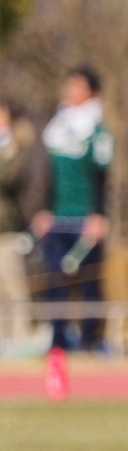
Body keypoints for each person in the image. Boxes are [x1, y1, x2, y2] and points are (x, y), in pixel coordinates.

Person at [32, 67, 113, 352]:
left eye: (78, 87)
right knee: (55, 280)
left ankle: (92, 339)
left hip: (86, 220)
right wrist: (44, 210)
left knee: (91, 283)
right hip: (58, 219)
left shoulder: (97, 132)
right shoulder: (55, 129)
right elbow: (48, 176)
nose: (71, 91)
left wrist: (100, 215)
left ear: (92, 92)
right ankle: (57, 341)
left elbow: (103, 178)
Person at [0, 100, 34, 349]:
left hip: (7, 229)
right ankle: (3, 338)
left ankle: (21, 339)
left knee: (14, 286)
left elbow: (12, 180)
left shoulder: (16, 148)